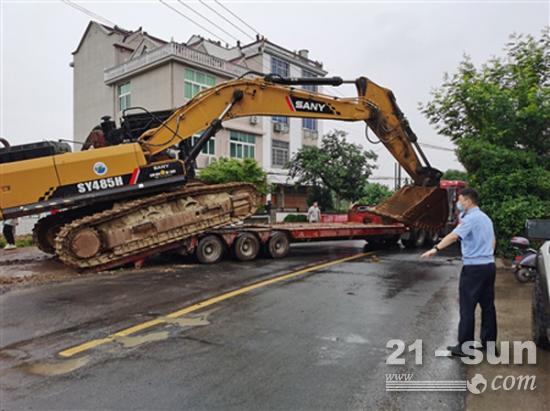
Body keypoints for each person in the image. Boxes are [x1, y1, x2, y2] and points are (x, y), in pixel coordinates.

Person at [421, 188, 497, 357]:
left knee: (467, 307)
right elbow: (493, 240)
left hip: (474, 269)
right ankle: (489, 345)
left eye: (460, 200)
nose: (458, 203)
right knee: (488, 307)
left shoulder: (470, 219)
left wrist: (435, 248)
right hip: (488, 266)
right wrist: (486, 255)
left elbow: (454, 236)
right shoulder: (485, 218)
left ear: (468, 201)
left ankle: (465, 347)